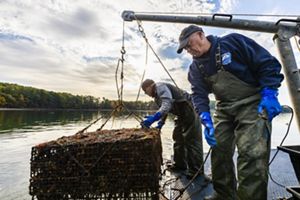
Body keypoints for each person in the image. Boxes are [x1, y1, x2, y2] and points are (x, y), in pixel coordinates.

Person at [177, 25, 283, 200]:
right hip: (224, 107)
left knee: (251, 153)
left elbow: (267, 63)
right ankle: (223, 194)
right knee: (219, 150)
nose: (189, 50)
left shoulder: (232, 42)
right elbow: (198, 95)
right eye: (185, 49)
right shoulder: (195, 68)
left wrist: (270, 92)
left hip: (252, 103)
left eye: (189, 44)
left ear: (201, 35)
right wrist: (205, 118)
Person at [140, 79, 204, 179]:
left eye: (145, 90)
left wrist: (154, 117)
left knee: (191, 140)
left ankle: (196, 171)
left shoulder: (160, 87)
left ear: (150, 86)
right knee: (178, 138)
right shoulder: (157, 98)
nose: (146, 93)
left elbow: (167, 103)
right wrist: (161, 122)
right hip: (180, 114)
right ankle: (180, 165)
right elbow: (165, 109)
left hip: (190, 108)